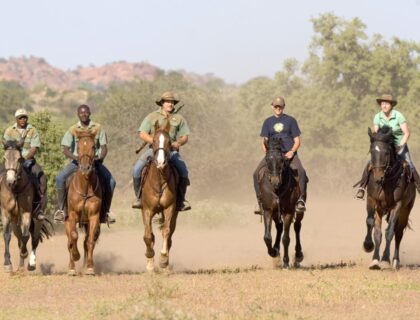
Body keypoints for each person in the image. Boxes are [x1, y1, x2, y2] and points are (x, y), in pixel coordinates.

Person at [53, 104, 116, 223]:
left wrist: (100, 158)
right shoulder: (73, 129)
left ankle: (106, 212)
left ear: (90, 113)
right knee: (60, 178)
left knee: (112, 182)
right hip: (77, 162)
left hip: (94, 162)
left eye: (86, 112)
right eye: (81, 113)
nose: (84, 114)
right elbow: (65, 149)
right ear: (78, 114)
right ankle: (61, 210)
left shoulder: (98, 128)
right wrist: (75, 158)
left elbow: (104, 147)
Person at [132, 91, 191, 211]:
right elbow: (142, 133)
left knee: (183, 171)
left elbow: (185, 136)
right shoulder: (152, 116)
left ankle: (181, 200)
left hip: (171, 151)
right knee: (136, 170)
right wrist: (155, 143)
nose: (170, 104)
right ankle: (138, 198)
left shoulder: (179, 118)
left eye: (172, 102)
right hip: (153, 150)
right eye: (168, 101)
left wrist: (178, 143)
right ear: (162, 103)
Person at [355, 94, 420, 199]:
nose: (384, 105)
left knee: (409, 164)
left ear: (391, 105)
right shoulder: (377, 117)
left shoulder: (398, 116)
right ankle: (362, 188)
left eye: (386, 103)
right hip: (385, 147)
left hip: (399, 145)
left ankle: (418, 186)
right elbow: (376, 133)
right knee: (369, 163)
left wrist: (400, 145)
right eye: (382, 103)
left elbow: (406, 133)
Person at [253, 96, 307, 214]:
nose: (278, 108)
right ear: (272, 106)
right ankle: (260, 203)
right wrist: (268, 154)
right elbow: (264, 142)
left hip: (289, 154)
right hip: (273, 156)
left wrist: (292, 151)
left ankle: (301, 200)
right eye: (276, 106)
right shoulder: (268, 122)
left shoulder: (291, 121)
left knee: (302, 172)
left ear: (284, 107)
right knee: (255, 173)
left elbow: (297, 141)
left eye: (280, 106)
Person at [2, 108, 48, 220]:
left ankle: (38, 208)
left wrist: (24, 158)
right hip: (11, 161)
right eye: (20, 118)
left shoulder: (32, 130)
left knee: (41, 178)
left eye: (24, 118)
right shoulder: (9, 131)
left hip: (28, 160)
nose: (23, 120)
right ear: (16, 119)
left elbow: (34, 148)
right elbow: (6, 146)